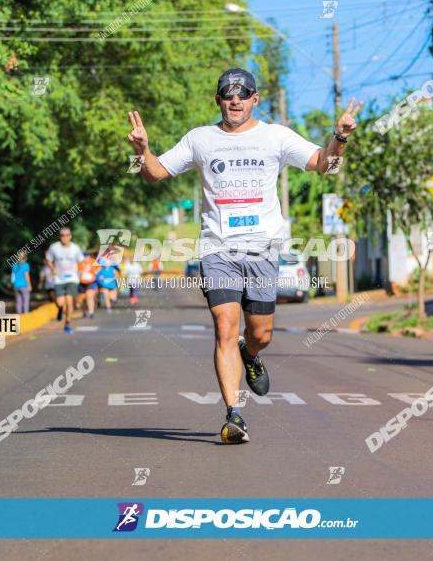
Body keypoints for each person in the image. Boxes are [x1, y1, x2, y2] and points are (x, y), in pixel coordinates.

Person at [127, 68, 361, 444]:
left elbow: (324, 165)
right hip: (217, 248)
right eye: (227, 94)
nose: (234, 100)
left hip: (263, 250)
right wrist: (142, 151)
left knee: (260, 333)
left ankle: (250, 355)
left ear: (255, 99)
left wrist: (340, 138)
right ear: (218, 100)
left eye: (243, 94)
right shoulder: (200, 139)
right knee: (225, 327)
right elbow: (154, 174)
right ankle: (234, 414)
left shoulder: (275, 136)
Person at [44, 228, 83, 333]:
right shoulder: (54, 247)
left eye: (67, 235)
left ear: (70, 236)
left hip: (72, 278)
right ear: (59, 236)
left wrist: (80, 273)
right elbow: (48, 260)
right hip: (59, 279)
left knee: (69, 300)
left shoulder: (75, 248)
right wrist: (53, 269)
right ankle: (60, 309)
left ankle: (67, 323)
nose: (65, 237)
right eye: (62, 235)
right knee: (60, 302)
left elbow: (81, 261)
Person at [78, 250, 100, 318]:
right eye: (84, 256)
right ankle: (84, 311)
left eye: (86, 256)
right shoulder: (79, 263)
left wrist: (95, 272)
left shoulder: (92, 261)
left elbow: (99, 267)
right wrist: (80, 272)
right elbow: (77, 270)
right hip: (81, 283)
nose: (85, 258)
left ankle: (91, 312)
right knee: (83, 299)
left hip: (91, 282)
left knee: (89, 296)